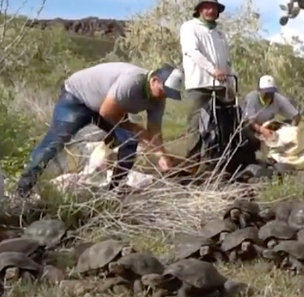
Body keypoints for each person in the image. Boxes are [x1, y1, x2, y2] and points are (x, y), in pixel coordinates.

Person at [15, 62, 184, 197]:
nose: (164, 96)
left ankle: (113, 191)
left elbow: (154, 131)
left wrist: (161, 156)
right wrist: (133, 127)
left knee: (129, 141)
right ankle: (23, 189)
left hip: (103, 106)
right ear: (154, 80)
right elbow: (107, 111)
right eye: (163, 91)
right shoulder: (132, 81)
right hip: (76, 99)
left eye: (168, 94)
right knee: (57, 140)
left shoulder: (158, 99)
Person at [180, 0, 234, 165]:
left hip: (220, 85)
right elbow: (192, 51)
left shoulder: (219, 34)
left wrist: (230, 83)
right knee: (196, 124)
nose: (211, 10)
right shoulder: (190, 27)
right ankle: (192, 163)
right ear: (200, 9)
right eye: (207, 7)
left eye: (214, 8)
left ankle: (214, 162)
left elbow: (227, 60)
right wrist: (212, 70)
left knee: (220, 124)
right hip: (199, 83)